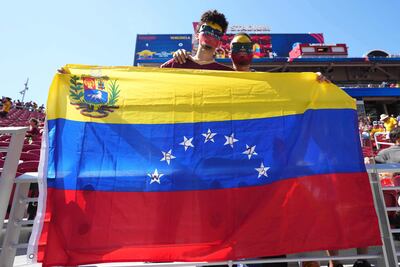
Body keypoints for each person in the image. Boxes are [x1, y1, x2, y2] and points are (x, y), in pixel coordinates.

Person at [160, 10, 233, 71]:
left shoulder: (228, 73)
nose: (211, 33)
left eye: (217, 32)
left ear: (219, 43)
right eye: (207, 29)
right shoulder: (173, 65)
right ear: (197, 35)